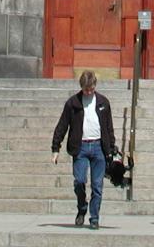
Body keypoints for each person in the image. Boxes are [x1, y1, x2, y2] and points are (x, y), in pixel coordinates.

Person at [51, 70, 116, 230]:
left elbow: (109, 127)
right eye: (85, 89)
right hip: (80, 147)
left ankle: (94, 218)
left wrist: (112, 147)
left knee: (97, 185)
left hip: (99, 147)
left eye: (91, 89)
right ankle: (82, 207)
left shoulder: (103, 102)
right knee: (79, 181)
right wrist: (55, 148)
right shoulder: (73, 103)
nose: (88, 92)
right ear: (81, 87)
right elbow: (62, 125)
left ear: (95, 86)